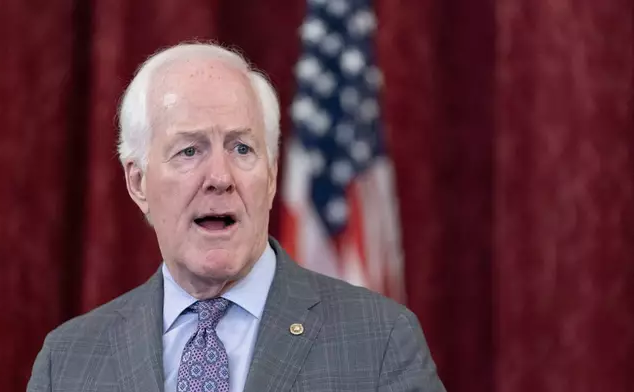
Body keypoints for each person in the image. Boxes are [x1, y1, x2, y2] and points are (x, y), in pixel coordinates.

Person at [27, 42, 446, 392]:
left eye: (242, 149)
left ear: (272, 175)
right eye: (189, 150)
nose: (220, 178)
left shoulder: (379, 340)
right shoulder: (67, 363)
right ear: (138, 183)